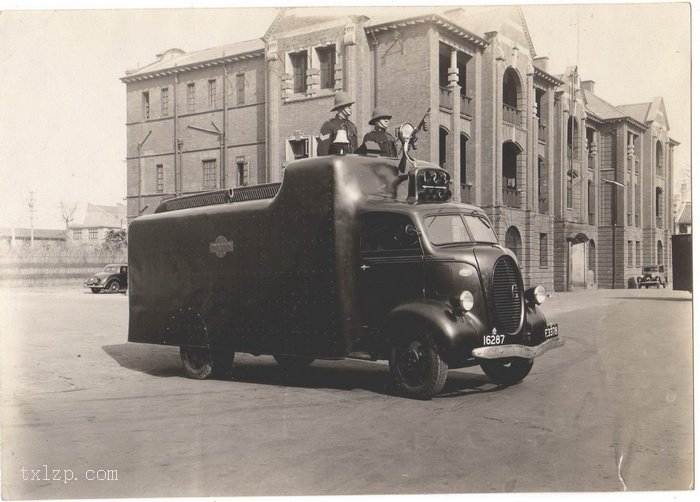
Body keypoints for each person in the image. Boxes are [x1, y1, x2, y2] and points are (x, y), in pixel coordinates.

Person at [317, 91, 358, 156]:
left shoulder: (352, 126)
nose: (350, 107)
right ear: (340, 107)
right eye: (347, 105)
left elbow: (355, 150)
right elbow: (322, 152)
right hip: (335, 164)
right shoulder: (329, 125)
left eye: (350, 105)